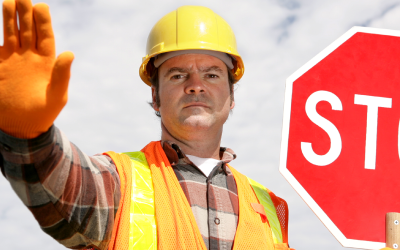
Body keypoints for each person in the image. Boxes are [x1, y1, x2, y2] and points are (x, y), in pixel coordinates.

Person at [3, 1, 391, 250]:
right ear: (154, 97)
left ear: (232, 97)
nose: (195, 84)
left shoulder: (271, 210)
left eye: (211, 74)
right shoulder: (119, 182)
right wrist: (27, 132)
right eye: (176, 75)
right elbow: (59, 186)